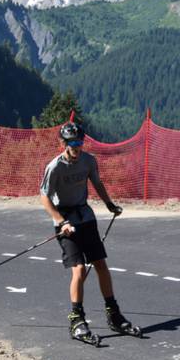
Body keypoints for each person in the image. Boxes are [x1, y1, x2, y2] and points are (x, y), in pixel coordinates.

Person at [40, 121, 138, 342]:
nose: (76, 147)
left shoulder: (88, 161)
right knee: (79, 269)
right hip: (66, 222)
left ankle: (113, 314)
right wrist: (61, 222)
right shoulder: (55, 167)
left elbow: (97, 183)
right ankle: (77, 319)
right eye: (72, 143)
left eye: (79, 143)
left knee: (101, 264)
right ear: (64, 144)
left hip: (85, 217)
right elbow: (44, 197)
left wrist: (109, 204)